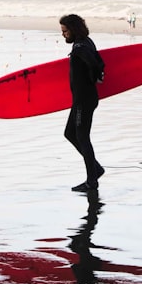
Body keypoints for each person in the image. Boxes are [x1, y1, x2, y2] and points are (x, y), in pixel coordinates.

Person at [60, 14, 105, 191]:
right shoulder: (87, 42)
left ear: (73, 30)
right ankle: (96, 169)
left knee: (82, 137)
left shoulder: (79, 47)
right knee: (70, 133)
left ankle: (92, 181)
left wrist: (97, 75)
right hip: (84, 99)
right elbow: (99, 60)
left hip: (83, 100)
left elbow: (94, 64)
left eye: (65, 31)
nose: (63, 34)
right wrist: (98, 74)